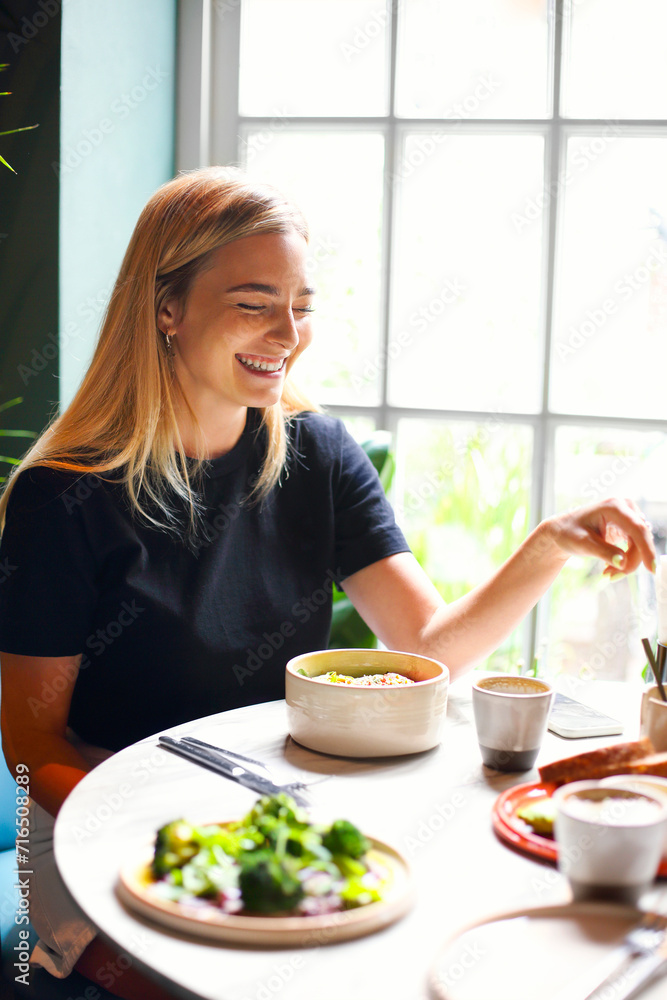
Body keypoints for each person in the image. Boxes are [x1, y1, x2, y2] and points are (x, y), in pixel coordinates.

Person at [0, 167, 656, 999]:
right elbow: (31, 749)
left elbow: (424, 649)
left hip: (270, 810)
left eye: (301, 306)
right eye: (253, 303)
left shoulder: (314, 454)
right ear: (166, 308)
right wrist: (174, 834)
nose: (289, 332)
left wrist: (547, 546)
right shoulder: (63, 496)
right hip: (100, 828)